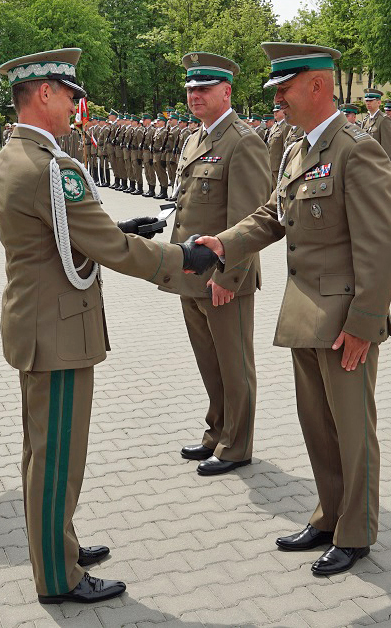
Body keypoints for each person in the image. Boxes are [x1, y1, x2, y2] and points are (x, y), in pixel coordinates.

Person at [0, 48, 219, 604]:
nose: (76, 105)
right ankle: (59, 577)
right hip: (59, 330)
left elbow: (63, 234)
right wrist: (181, 258)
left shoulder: (11, 157)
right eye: (69, 95)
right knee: (58, 456)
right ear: (44, 93)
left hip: (36, 323)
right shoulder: (51, 167)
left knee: (42, 450)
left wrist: (114, 224)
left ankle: (55, 545)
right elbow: (106, 247)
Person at [198, 41, 391, 578]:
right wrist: (222, 244)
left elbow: (381, 248)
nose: (277, 101)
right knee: (317, 424)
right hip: (304, 313)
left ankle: (355, 531)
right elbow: (271, 215)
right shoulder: (294, 147)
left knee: (352, 429)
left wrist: (364, 325)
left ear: (317, 85)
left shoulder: (356, 149)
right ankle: (328, 515)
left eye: (283, 89)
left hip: (343, 321)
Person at [167, 52, 270, 476]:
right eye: (190, 88)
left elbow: (250, 218)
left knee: (233, 362)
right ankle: (216, 431)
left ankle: (236, 445)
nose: (195, 95)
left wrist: (230, 275)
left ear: (227, 91)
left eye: (204, 88)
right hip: (191, 273)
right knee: (209, 361)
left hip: (224, 276)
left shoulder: (243, 140)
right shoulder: (195, 139)